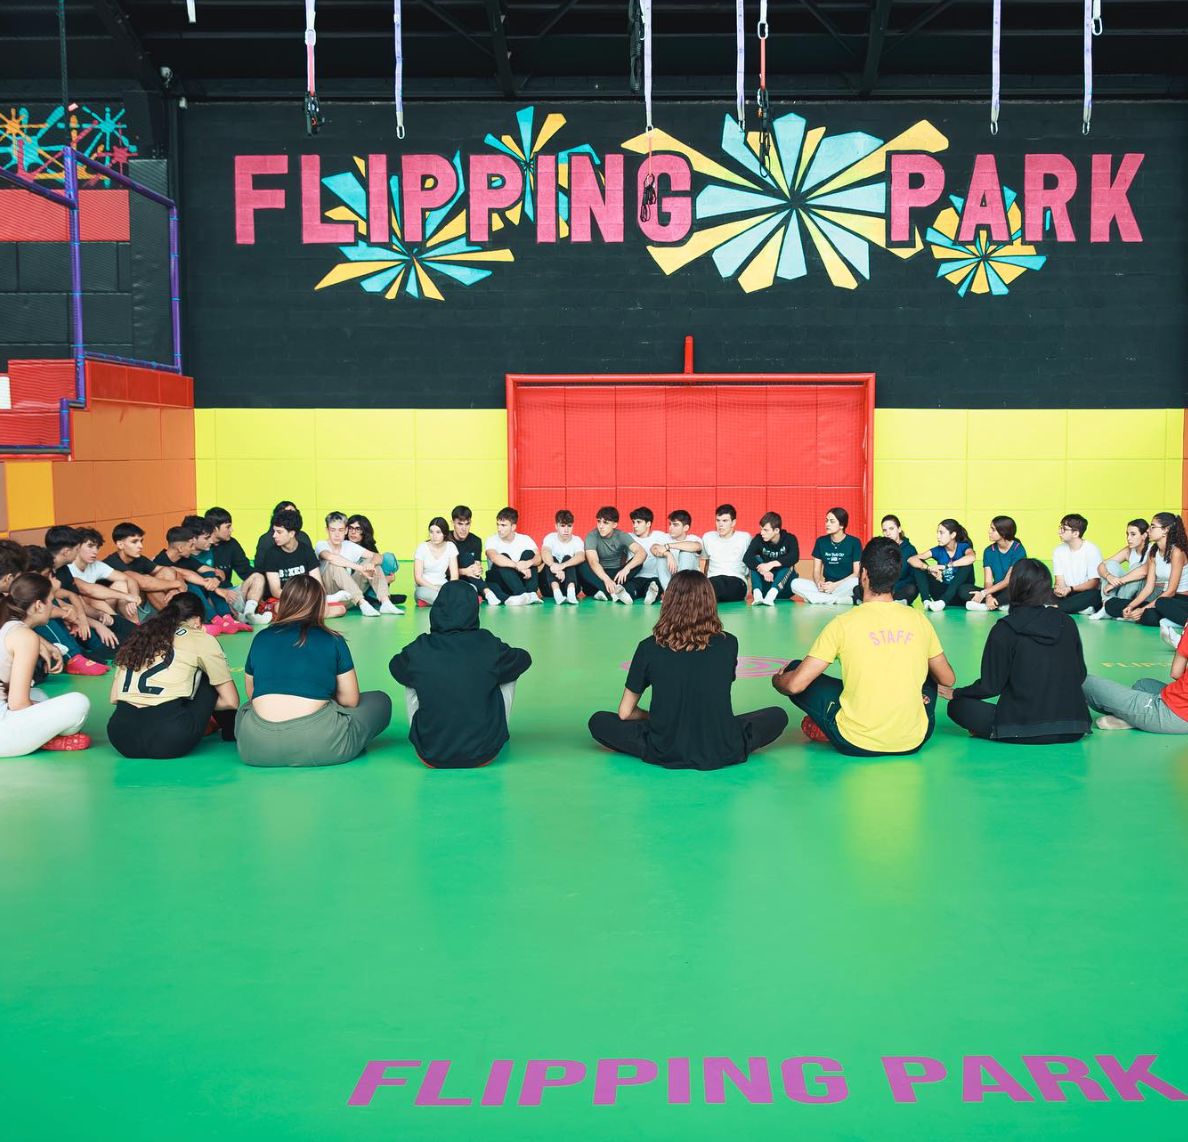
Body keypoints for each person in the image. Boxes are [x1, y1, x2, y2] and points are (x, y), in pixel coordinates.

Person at [587, 570, 787, 770]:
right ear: (710, 602)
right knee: (777, 715)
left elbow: (625, 713)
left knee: (599, 721)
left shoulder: (648, 647)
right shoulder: (729, 643)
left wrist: (652, 717)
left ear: (668, 601)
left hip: (665, 748)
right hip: (721, 747)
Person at [773, 537, 956, 756]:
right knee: (931, 672)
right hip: (914, 738)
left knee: (795, 670)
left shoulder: (843, 624)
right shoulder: (918, 619)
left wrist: (777, 679)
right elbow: (947, 679)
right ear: (896, 575)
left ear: (864, 574)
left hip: (856, 741)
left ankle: (829, 725)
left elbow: (795, 686)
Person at [235, 575, 392, 767]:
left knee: (244, 709)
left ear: (284, 603)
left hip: (255, 747)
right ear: (320, 605)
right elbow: (350, 700)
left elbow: (252, 696)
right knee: (380, 700)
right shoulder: (332, 639)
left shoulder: (261, 637)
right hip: (321, 744)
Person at [944, 559, 1091, 744]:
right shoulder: (1067, 622)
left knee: (957, 706)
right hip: (1073, 727)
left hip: (1020, 728)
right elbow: (1080, 674)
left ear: (1013, 587)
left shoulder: (1005, 628)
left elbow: (991, 686)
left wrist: (957, 693)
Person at [389, 580, 533, 768]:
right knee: (508, 669)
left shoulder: (420, 646)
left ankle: (429, 731)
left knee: (411, 674)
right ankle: (491, 729)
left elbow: (395, 666)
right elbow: (524, 659)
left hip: (430, 754)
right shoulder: (487, 643)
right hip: (484, 754)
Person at [106, 592, 241, 759]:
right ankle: (230, 733)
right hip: (170, 738)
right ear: (197, 620)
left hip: (122, 737)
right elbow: (230, 701)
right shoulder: (200, 638)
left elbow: (114, 697)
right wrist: (199, 708)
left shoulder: (139, 637)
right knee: (208, 675)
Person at [0, 573, 91, 755]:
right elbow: (18, 704)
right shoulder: (25, 636)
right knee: (78, 703)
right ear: (39, 605)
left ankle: (44, 735)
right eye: (51, 601)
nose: (52, 607)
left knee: (39, 694)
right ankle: (46, 737)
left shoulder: (7, 625)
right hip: (4, 734)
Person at [1083, 624, 1188, 735]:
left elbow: (1176, 673)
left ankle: (1138, 720)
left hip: (1177, 713)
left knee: (1085, 682)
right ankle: (1135, 720)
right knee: (1143, 684)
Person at [23, 545, 108, 676]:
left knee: (55, 604)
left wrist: (69, 615)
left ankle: (78, 652)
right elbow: (28, 613)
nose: (50, 579)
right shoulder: (19, 590)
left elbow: (65, 600)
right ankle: (72, 658)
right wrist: (52, 592)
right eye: (46, 575)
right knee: (41, 607)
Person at [243, 508, 336, 626]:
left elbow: (318, 583)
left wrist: (319, 601)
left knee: (340, 609)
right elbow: (275, 590)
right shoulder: (271, 554)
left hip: (306, 600)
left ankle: (302, 614)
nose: (274, 536)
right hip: (282, 600)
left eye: (279, 532)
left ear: (291, 533)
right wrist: (302, 600)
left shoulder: (306, 551)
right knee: (279, 607)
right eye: (274, 531)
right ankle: (309, 614)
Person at [1105, 512, 1188, 635]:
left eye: (1153, 527)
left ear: (1165, 530)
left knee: (1159, 604)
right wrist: (1131, 606)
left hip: (1181, 600)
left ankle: (1181, 621)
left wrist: (1142, 609)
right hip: (1164, 598)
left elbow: (1171, 591)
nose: (1149, 530)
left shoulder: (1177, 552)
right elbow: (1149, 587)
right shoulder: (1154, 551)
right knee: (1112, 604)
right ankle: (1172, 621)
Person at [154, 526, 244, 634]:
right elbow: (186, 574)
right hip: (175, 601)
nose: (193, 549)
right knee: (191, 585)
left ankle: (227, 618)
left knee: (210, 575)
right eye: (191, 545)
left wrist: (216, 580)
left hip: (197, 597)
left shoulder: (186, 558)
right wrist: (216, 589)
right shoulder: (160, 561)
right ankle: (215, 620)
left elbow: (217, 572)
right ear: (180, 548)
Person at [316, 511, 402, 616]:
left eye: (341, 530)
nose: (337, 534)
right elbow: (331, 557)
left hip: (349, 597)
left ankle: (385, 603)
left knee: (370, 562)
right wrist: (361, 568)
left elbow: (378, 556)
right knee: (334, 565)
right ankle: (363, 603)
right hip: (329, 597)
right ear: (327, 530)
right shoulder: (321, 545)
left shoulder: (349, 545)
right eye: (333, 530)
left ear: (346, 530)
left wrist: (371, 564)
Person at [104, 522, 183, 615]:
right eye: (134, 542)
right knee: (141, 583)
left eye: (141, 541)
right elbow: (144, 583)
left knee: (166, 571)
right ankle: (176, 617)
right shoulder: (112, 562)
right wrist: (178, 584)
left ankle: (175, 616)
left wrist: (173, 589)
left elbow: (170, 571)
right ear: (120, 545)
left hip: (137, 605)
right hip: (110, 612)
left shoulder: (139, 559)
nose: (140, 546)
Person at [790, 508, 862, 605]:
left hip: (844, 585)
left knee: (855, 582)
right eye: (826, 520)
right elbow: (816, 571)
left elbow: (856, 573)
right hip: (825, 587)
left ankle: (820, 599)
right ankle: (834, 599)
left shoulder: (854, 542)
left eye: (832, 521)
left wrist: (834, 585)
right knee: (795, 583)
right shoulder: (821, 541)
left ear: (841, 525)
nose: (827, 524)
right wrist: (818, 583)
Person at [579, 507, 646, 604]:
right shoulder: (591, 536)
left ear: (614, 524)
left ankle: (603, 592)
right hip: (596, 577)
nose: (601, 526)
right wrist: (606, 580)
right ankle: (612, 592)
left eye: (605, 523)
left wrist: (626, 569)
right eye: (599, 521)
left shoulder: (621, 535)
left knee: (638, 563)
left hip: (615, 576)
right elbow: (593, 562)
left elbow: (642, 552)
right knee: (581, 564)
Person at [907, 518, 976, 612]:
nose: (938, 536)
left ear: (953, 535)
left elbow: (972, 557)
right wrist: (928, 568)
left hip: (960, 594)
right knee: (918, 564)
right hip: (941, 594)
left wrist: (946, 566)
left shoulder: (963, 547)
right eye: (937, 533)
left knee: (967, 563)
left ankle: (944, 601)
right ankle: (926, 601)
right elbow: (911, 559)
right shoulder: (938, 550)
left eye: (941, 533)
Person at [1091, 518, 1150, 620]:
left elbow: (1143, 572)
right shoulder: (1129, 550)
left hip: (1146, 593)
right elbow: (1101, 565)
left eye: (1133, 534)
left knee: (1136, 567)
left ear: (1144, 535)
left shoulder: (1152, 550)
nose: (1128, 538)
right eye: (1127, 534)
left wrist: (1116, 582)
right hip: (1128, 592)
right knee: (1111, 564)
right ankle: (1107, 606)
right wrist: (1109, 577)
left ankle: (1118, 609)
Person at [965, 516, 1026, 612]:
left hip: (1011, 588)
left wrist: (983, 593)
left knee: (1016, 589)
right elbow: (988, 581)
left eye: (993, 529)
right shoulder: (989, 551)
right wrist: (988, 596)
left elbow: (1008, 581)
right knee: (963, 590)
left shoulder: (1018, 549)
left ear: (1003, 532)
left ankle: (988, 606)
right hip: (995, 590)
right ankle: (999, 604)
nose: (989, 531)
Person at [484, 507, 542, 606]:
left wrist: (527, 563)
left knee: (528, 554)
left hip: (519, 579)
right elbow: (494, 558)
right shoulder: (491, 540)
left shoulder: (525, 539)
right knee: (503, 557)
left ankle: (531, 593)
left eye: (503, 525)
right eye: (498, 524)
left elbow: (539, 558)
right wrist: (517, 566)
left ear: (513, 527)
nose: (499, 529)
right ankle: (521, 593)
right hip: (500, 582)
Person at [855, 515, 918, 604]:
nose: (888, 533)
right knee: (857, 589)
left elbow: (912, 577)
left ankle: (890, 601)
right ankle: (889, 601)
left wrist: (893, 588)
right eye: (885, 530)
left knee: (912, 589)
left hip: (898, 588)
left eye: (891, 529)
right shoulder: (881, 548)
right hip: (880, 588)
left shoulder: (910, 549)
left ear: (899, 529)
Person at [1051, 513, 1104, 615]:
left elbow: (1094, 583)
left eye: (1064, 529)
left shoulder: (1092, 550)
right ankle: (1078, 609)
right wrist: (1059, 589)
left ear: (1076, 533)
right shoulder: (1058, 550)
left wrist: (1070, 589)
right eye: (1060, 527)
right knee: (1042, 592)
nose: (1059, 531)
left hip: (1085, 592)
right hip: (1068, 593)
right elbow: (1059, 579)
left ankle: (1057, 607)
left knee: (1095, 595)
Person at [699, 504, 751, 603]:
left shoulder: (744, 538)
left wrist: (752, 588)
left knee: (712, 589)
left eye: (725, 521)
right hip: (713, 580)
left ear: (733, 522)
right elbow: (707, 564)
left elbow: (751, 564)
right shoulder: (708, 537)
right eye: (718, 520)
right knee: (708, 586)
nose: (720, 525)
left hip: (737, 581)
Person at [745, 512, 800, 606]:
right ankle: (757, 595)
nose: (762, 533)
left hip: (785, 588)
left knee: (788, 562)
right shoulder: (758, 539)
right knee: (755, 560)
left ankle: (771, 595)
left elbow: (794, 556)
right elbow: (747, 557)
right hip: (765, 587)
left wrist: (771, 564)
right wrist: (764, 571)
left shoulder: (789, 538)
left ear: (776, 530)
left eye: (766, 530)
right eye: (761, 529)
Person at [346, 514, 401, 596]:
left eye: (358, 529)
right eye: (350, 528)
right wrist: (383, 581)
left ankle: (377, 595)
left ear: (365, 531)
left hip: (371, 584)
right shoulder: (343, 545)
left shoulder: (369, 547)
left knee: (388, 557)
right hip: (353, 586)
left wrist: (372, 564)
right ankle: (376, 595)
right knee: (368, 563)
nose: (353, 532)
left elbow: (379, 559)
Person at [651, 510, 702, 595]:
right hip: (671, 581)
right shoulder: (665, 538)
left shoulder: (694, 539)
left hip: (691, 582)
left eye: (675, 525)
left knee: (686, 553)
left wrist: (668, 546)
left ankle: (681, 593)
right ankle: (669, 593)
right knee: (661, 558)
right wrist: (668, 554)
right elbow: (653, 548)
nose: (670, 528)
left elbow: (696, 546)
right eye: (670, 524)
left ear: (686, 528)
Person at [540, 509, 586, 605]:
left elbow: (581, 556)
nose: (566, 530)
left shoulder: (577, 540)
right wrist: (554, 566)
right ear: (556, 526)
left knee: (568, 558)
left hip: (571, 586)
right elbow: (545, 552)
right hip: (549, 589)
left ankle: (571, 594)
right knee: (552, 559)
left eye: (569, 526)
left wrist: (563, 565)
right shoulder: (550, 537)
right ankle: (557, 594)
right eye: (562, 526)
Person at [412, 516, 459, 606]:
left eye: (438, 532)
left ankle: (433, 602)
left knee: (471, 588)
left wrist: (448, 589)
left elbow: (454, 576)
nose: (434, 536)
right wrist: (436, 588)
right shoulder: (422, 548)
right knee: (420, 593)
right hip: (425, 587)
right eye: (431, 532)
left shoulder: (450, 546)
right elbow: (418, 578)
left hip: (444, 586)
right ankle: (455, 602)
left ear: (444, 533)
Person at [626, 507, 669, 604]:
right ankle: (627, 595)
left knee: (653, 587)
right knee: (629, 589)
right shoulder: (628, 537)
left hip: (654, 577)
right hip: (635, 577)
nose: (634, 525)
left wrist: (668, 555)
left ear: (648, 524)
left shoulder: (660, 536)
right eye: (633, 522)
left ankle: (651, 595)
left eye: (638, 522)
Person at [204, 507, 255, 588]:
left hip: (228, 591)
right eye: (228, 527)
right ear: (215, 529)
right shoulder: (200, 546)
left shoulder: (232, 543)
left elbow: (245, 570)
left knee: (258, 579)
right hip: (205, 590)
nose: (231, 530)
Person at [253, 501, 313, 565]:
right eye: (284, 513)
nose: (288, 517)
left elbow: (311, 562)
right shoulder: (266, 540)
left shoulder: (303, 537)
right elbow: (260, 565)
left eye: (292, 513)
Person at [448, 505, 486, 596]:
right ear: (452, 523)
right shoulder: (446, 539)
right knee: (466, 556)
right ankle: (486, 592)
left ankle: (486, 592)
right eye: (460, 524)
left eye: (467, 524)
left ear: (470, 523)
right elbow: (441, 570)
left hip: (469, 580)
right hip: (449, 579)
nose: (464, 529)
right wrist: (464, 571)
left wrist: (478, 569)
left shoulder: (476, 541)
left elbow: (476, 567)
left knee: (468, 558)